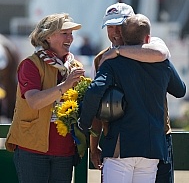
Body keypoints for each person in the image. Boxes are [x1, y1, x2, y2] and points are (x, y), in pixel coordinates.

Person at [78, 14, 186, 183]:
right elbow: (180, 90)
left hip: (121, 147)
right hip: (151, 148)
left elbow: (94, 92)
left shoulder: (112, 61)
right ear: (148, 37)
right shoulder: (161, 62)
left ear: (123, 36)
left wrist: (83, 123)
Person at [5, 13, 85, 183]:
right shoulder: (30, 64)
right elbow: (34, 101)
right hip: (32, 149)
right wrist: (65, 86)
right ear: (47, 36)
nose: (70, 38)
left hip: (64, 151)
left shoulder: (75, 66)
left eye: (71, 33)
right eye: (65, 33)